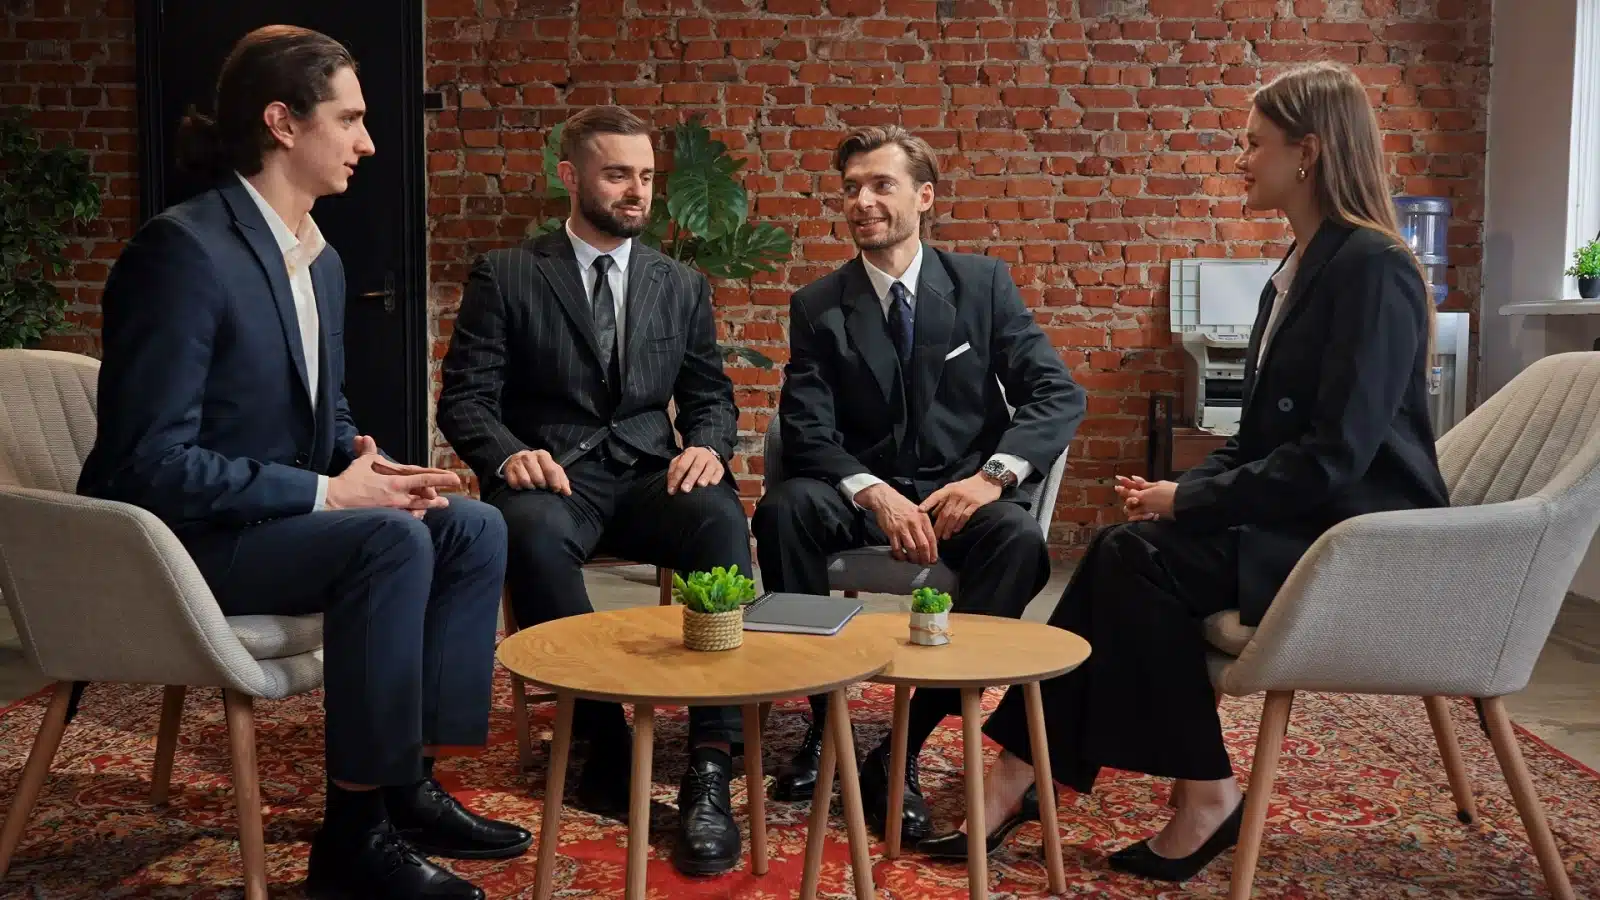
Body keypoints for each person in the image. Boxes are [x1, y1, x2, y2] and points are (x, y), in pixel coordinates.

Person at [927, 61, 1453, 881]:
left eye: (1254, 142)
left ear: (1308, 152)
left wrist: (1196, 501)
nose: (1240, 159)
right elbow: (1259, 438)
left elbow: (1338, 454)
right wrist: (1180, 496)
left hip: (1356, 536)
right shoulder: (1298, 270)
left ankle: (1182, 790)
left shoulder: (1371, 267)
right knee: (1125, 546)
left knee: (1133, 559)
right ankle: (1020, 775)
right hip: (1307, 518)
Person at [75, 26, 529, 900]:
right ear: (283, 122)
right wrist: (327, 494)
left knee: (469, 524)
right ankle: (353, 838)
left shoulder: (319, 260)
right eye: (349, 119)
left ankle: (406, 785)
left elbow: (322, 411)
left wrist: (366, 465)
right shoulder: (181, 252)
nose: (368, 141)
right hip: (179, 546)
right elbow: (144, 462)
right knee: (386, 543)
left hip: (269, 521)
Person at [435, 106, 754, 877]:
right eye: (617, 175)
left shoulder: (680, 284)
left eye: (645, 177)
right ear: (570, 177)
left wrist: (707, 446)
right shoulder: (509, 274)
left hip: (649, 475)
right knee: (528, 532)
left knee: (719, 517)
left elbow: (710, 395)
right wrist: (509, 455)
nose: (637, 191)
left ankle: (711, 759)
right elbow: (466, 400)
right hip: (553, 477)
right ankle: (605, 742)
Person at [750, 126, 1085, 844]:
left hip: (959, 496)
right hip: (863, 499)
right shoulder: (817, 304)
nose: (862, 202)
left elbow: (1055, 394)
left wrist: (991, 479)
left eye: (882, 185)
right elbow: (805, 428)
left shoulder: (982, 285)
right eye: (851, 189)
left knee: (1020, 541)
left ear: (924, 197)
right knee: (784, 510)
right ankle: (826, 725)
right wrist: (872, 492)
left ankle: (901, 746)